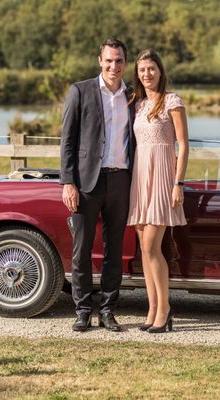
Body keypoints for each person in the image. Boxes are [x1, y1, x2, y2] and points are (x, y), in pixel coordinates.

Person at [60, 38, 135, 332]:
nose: (113, 66)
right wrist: (68, 182)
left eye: (118, 61)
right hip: (87, 182)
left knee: (114, 249)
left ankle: (107, 309)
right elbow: (67, 141)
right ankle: (82, 310)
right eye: (109, 60)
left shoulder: (132, 95)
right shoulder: (81, 91)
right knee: (81, 250)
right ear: (99, 61)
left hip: (120, 180)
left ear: (124, 63)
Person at [127, 49, 188, 334]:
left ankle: (165, 309)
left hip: (163, 177)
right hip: (141, 177)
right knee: (143, 249)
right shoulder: (137, 104)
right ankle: (151, 309)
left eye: (151, 68)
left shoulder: (172, 101)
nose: (146, 74)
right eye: (141, 70)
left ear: (160, 71)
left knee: (153, 247)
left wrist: (179, 183)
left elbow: (184, 146)